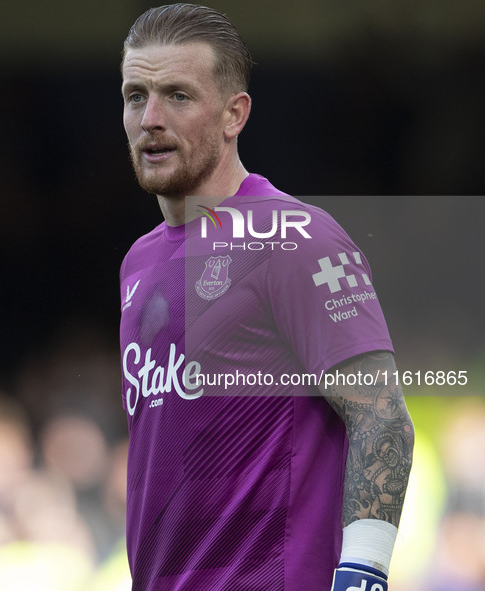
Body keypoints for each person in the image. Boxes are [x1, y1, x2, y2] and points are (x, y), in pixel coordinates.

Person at [119, 4, 414, 590]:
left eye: (177, 95)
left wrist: (364, 573)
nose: (150, 118)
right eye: (135, 96)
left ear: (235, 114)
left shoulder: (293, 238)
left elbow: (383, 417)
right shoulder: (138, 261)